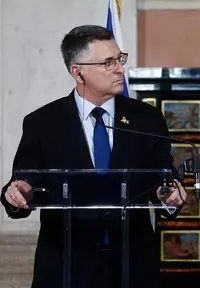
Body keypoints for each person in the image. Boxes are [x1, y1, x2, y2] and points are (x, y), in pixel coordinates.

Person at [0, 25, 187, 288]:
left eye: (120, 59)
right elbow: (23, 183)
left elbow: (164, 178)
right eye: (108, 63)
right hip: (66, 266)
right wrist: (19, 193)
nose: (121, 69)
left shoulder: (147, 119)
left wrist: (170, 193)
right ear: (78, 72)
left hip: (132, 265)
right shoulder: (42, 123)